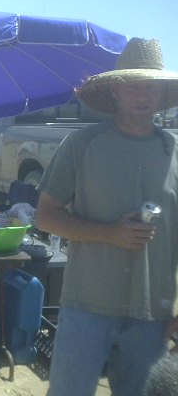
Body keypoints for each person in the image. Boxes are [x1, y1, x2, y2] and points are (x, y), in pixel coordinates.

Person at [35, 38, 178, 396]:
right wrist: (109, 233)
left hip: (152, 315)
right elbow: (46, 217)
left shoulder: (174, 151)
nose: (142, 95)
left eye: (150, 87)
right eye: (133, 86)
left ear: (161, 93)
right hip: (86, 306)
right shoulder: (81, 145)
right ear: (115, 90)